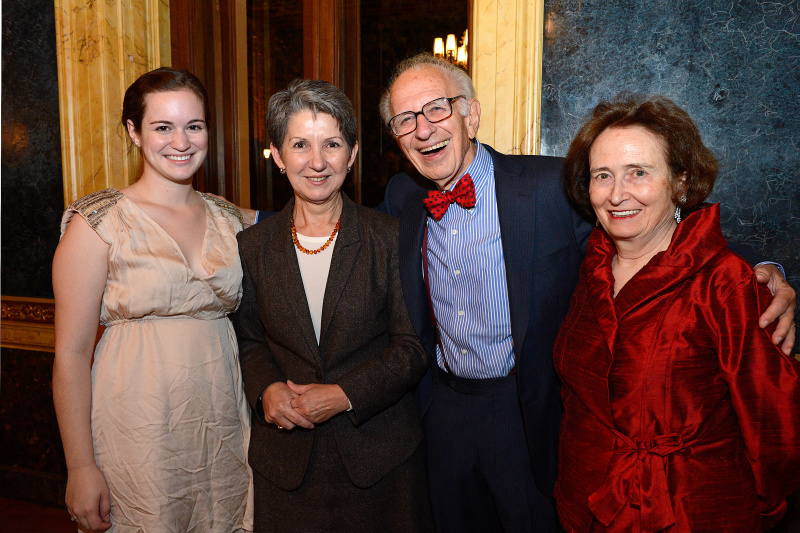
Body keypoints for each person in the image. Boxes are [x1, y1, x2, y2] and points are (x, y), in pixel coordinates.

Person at [376, 53, 797, 532]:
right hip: (445, 407)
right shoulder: (401, 197)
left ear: (471, 115)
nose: (422, 129)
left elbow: (659, 226)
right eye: (404, 119)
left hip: (527, 408)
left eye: (436, 108)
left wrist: (762, 268)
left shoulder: (549, 187)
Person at [553, 95, 800, 532]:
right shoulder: (589, 268)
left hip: (689, 511)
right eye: (602, 176)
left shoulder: (725, 283)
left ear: (680, 183)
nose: (616, 194)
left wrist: (761, 511)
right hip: (586, 505)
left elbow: (774, 422)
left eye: (639, 173)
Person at [52, 68, 253, 532]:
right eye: (163, 127)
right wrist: (80, 467)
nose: (181, 142)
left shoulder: (229, 218)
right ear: (134, 131)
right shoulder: (98, 222)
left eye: (194, 126)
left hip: (222, 427)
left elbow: (303, 225)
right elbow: (70, 354)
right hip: (136, 430)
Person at [231, 79, 433, 532]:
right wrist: (267, 389)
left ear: (352, 154)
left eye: (332, 144)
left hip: (381, 464)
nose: (318, 162)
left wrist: (343, 396)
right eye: (300, 144)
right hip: (286, 470)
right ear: (279, 157)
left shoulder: (392, 237)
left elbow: (413, 345)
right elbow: (248, 339)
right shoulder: (251, 247)